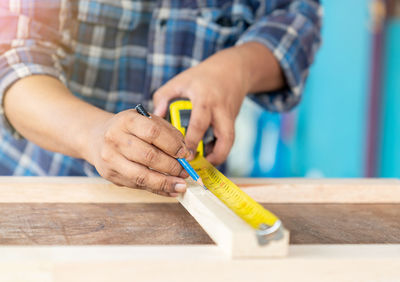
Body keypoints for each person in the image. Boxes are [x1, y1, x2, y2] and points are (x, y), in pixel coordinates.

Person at [0, 0, 321, 197]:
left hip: (187, 198)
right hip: (48, 183)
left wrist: (238, 67)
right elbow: (11, 58)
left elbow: (296, 17)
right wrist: (94, 135)